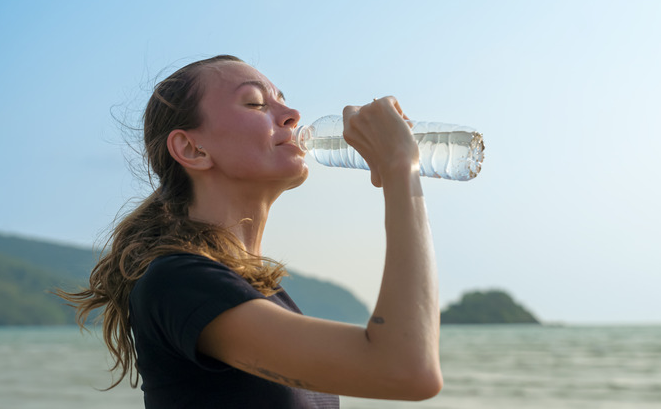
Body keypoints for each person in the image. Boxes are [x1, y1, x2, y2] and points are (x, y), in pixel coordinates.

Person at [59, 55, 442, 408]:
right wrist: (399, 171)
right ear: (192, 149)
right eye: (256, 103)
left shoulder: (257, 293)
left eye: (283, 100)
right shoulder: (178, 281)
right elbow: (406, 369)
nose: (292, 114)